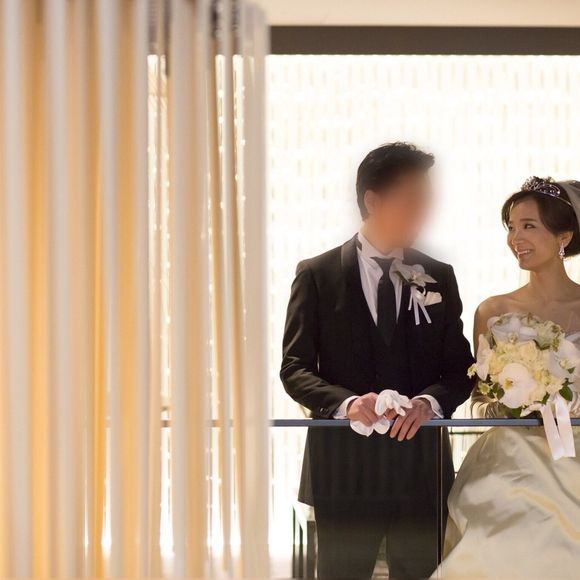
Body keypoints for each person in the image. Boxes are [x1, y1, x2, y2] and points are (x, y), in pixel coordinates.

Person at [280, 142, 474, 579]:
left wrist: (429, 403)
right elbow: (294, 368)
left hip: (421, 468)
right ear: (372, 200)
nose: (422, 213)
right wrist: (348, 404)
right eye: (412, 200)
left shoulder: (439, 276)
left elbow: (460, 370)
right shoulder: (316, 275)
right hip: (342, 468)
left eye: (426, 202)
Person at [439, 178, 580, 579]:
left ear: (563, 237)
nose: (515, 238)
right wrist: (516, 403)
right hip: (509, 455)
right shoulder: (493, 311)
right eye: (511, 227)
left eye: (528, 226)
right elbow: (478, 399)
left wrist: (567, 404)